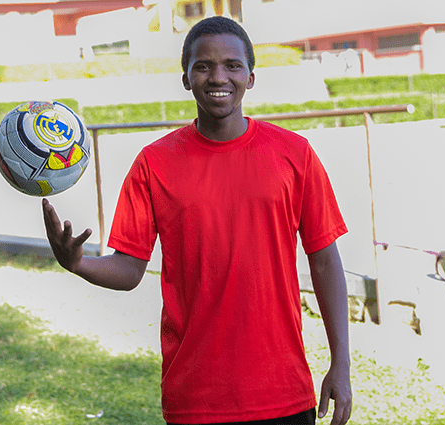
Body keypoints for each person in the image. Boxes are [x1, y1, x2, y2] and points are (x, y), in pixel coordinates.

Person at [43, 16, 352, 425]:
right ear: (186, 78)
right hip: (195, 398)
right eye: (203, 66)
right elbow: (130, 268)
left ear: (251, 77)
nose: (217, 76)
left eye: (232, 65)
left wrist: (341, 365)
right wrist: (78, 263)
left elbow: (326, 262)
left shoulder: (295, 154)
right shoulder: (154, 164)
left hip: (282, 392)